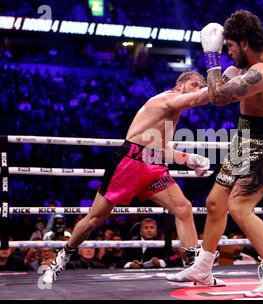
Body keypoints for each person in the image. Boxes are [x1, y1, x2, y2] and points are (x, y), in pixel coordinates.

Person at [167, 10, 263, 297]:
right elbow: (222, 90)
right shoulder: (252, 60)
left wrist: (212, 57)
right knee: (215, 202)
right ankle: (203, 266)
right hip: (246, 137)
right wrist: (230, 69)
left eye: (231, 47)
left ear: (245, 42)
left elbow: (217, 97)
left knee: (240, 207)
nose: (229, 52)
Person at [43, 71, 210, 284]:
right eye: (194, 85)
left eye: (200, 86)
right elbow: (197, 99)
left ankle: (195, 267)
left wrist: (188, 158)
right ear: (179, 85)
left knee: (183, 208)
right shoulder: (166, 99)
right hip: (128, 164)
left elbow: (158, 149)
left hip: (153, 165)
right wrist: (221, 76)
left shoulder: (174, 113)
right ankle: (62, 257)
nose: (196, 90)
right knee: (94, 219)